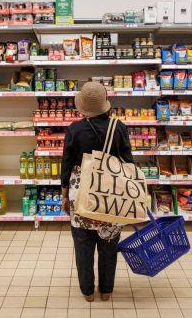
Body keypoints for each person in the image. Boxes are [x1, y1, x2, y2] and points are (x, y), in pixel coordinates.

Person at [61, 82, 134, 302]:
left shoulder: (74, 129)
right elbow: (129, 163)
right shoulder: (118, 126)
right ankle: (107, 290)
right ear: (105, 104)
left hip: (81, 194)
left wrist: (64, 195)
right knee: (108, 245)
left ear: (82, 106)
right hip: (112, 195)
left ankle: (87, 292)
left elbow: (66, 165)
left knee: (83, 245)